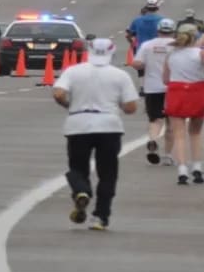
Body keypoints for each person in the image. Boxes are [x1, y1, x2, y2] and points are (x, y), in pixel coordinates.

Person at [52, 38, 140, 231]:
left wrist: (68, 105)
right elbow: (131, 107)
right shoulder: (120, 75)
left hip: (78, 124)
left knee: (77, 167)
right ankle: (101, 216)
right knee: (108, 173)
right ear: (112, 52)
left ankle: (81, 191)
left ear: (88, 50)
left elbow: (58, 93)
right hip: (109, 125)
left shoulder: (74, 71)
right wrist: (119, 105)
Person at [162, 24, 204, 185]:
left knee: (178, 134)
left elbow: (165, 79)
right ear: (195, 37)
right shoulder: (202, 53)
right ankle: (197, 167)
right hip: (197, 91)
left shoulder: (170, 55)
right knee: (195, 133)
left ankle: (182, 170)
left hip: (176, 91)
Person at [132, 18, 178, 166]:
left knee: (155, 120)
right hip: (173, 87)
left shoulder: (147, 45)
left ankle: (153, 139)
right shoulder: (176, 46)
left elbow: (137, 63)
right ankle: (168, 156)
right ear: (173, 31)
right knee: (171, 123)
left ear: (158, 30)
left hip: (152, 88)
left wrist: (143, 65)